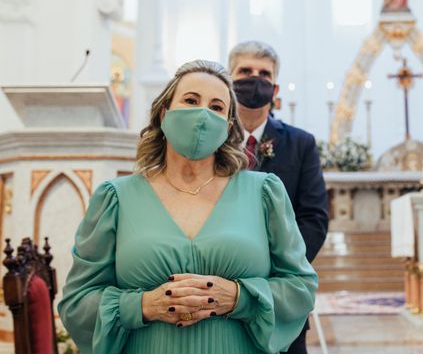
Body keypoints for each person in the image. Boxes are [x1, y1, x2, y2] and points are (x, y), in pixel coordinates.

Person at [58, 60, 317, 354]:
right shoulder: (116, 198)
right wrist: (143, 305)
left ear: (229, 126)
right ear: (165, 113)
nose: (203, 114)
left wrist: (238, 297)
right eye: (191, 100)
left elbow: (300, 287)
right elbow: (77, 302)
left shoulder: (264, 192)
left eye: (217, 107)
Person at [228, 41, 328, 354]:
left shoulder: (301, 144)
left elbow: (314, 218)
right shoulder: (210, 140)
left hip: (281, 294)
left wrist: (278, 267)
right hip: (220, 289)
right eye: (245, 71)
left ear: (275, 87)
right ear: (229, 82)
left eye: (264, 74)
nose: (254, 79)